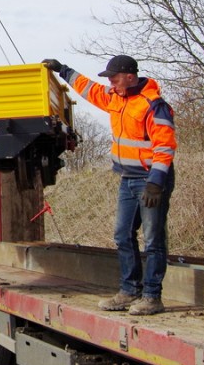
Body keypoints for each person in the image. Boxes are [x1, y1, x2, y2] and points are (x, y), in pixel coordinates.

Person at [42, 55, 176, 316]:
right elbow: (89, 88)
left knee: (153, 240)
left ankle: (152, 297)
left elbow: (165, 146)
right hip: (128, 179)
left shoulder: (154, 105)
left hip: (151, 181)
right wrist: (62, 70)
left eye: (114, 78)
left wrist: (156, 183)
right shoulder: (115, 96)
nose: (111, 84)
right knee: (122, 235)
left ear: (129, 76)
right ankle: (129, 291)